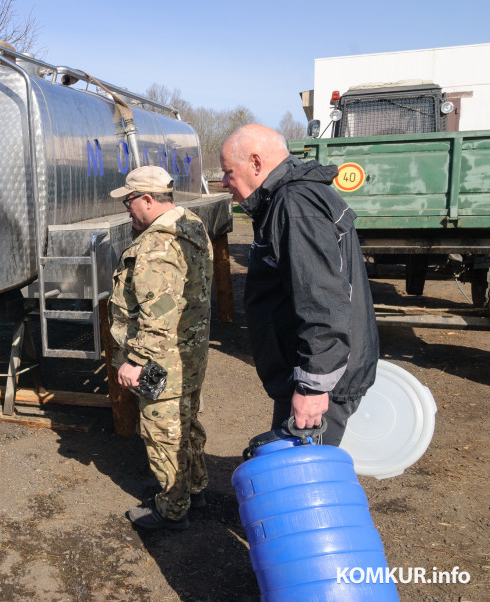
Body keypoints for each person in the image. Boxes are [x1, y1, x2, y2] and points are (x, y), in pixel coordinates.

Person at [219, 124, 379, 446]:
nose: (224, 183)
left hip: (320, 385)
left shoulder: (294, 205)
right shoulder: (286, 200)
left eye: (227, 172)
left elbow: (323, 303)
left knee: (304, 480)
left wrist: (313, 388)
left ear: (255, 162)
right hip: (310, 375)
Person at [108, 165, 213, 530]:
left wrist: (135, 361)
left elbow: (158, 316)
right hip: (190, 355)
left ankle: (172, 509)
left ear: (148, 199)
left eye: (129, 201)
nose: (127, 208)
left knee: (162, 433)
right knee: (186, 425)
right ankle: (195, 488)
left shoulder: (156, 246)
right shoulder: (191, 225)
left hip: (161, 363)